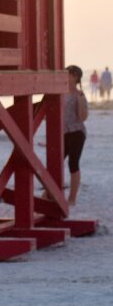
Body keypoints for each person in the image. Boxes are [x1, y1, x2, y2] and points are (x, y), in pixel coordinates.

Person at [63, 65, 89, 207]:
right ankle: (49, 193)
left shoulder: (79, 94)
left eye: (67, 74)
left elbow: (83, 117)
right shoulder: (59, 92)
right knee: (55, 163)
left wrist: (79, 100)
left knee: (73, 163)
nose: (65, 76)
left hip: (77, 132)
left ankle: (72, 198)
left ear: (75, 77)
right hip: (63, 133)